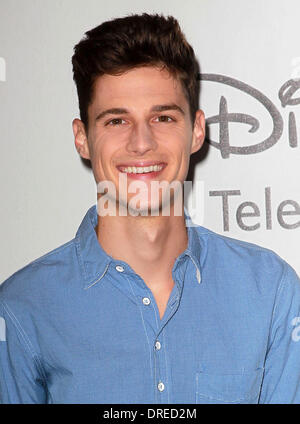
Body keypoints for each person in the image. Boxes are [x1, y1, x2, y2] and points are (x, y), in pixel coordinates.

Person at [1, 13, 300, 405]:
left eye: (162, 117)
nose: (141, 143)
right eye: (116, 121)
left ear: (196, 130)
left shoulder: (269, 291)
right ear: (82, 139)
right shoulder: (23, 308)